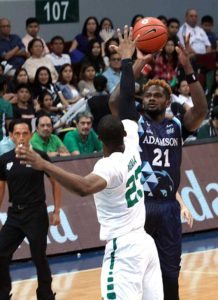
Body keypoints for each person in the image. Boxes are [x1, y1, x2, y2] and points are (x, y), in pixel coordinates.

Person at [16, 36, 164, 298]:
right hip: (145, 243)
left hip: (125, 252)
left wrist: (44, 164)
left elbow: (84, 187)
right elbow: (124, 100)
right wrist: (131, 63)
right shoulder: (131, 140)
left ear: (99, 137)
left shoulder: (109, 166)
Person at [109, 26, 207, 300]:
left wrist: (189, 69)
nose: (151, 97)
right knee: (135, 271)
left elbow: (201, 110)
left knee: (169, 272)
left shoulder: (177, 125)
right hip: (138, 205)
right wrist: (133, 65)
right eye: (148, 94)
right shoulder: (134, 122)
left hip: (166, 207)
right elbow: (116, 101)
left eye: (157, 95)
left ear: (168, 101)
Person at [0, 119, 61, 300]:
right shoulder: (4, 160)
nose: (21, 138)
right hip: (14, 215)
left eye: (25, 133)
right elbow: (1, 189)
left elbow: (55, 181)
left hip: (36, 213)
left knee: (38, 256)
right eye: (17, 134)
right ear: (11, 136)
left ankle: (45, 294)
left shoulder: (40, 156)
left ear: (31, 135)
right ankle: (3, 293)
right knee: (1, 253)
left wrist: (57, 210)